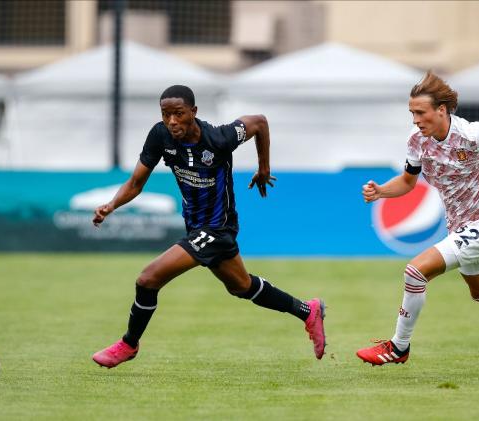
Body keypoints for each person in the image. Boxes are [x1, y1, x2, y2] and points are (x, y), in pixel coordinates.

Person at [91, 85, 326, 368]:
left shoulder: (220, 137)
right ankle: (307, 310)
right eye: (166, 115)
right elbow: (135, 183)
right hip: (195, 227)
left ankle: (128, 344)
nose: (172, 122)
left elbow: (260, 122)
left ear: (194, 112)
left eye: (178, 114)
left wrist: (264, 167)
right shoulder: (160, 135)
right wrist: (112, 205)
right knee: (242, 286)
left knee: (148, 279)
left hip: (218, 228)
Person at [356, 71, 479, 366]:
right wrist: (381, 192)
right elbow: (408, 182)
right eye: (412, 112)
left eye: (420, 112)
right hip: (460, 228)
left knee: (415, 272)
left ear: (441, 110)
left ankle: (399, 348)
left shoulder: (473, 134)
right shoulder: (417, 142)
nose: (415, 119)